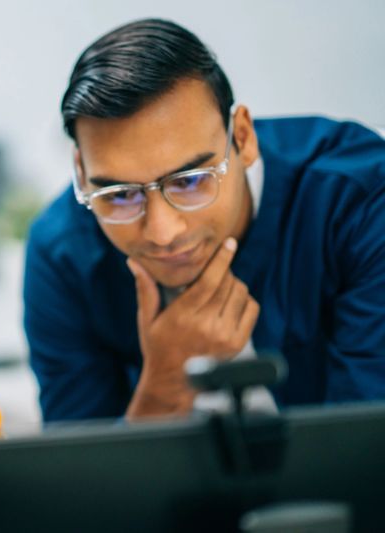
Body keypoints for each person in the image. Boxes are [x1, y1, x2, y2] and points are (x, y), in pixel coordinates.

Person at [24, 18, 385, 423]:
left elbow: (367, 452)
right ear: (81, 171)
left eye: (191, 180)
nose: (163, 233)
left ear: (243, 138)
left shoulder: (361, 198)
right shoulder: (61, 252)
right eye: (121, 195)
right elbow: (78, 476)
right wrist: (166, 382)